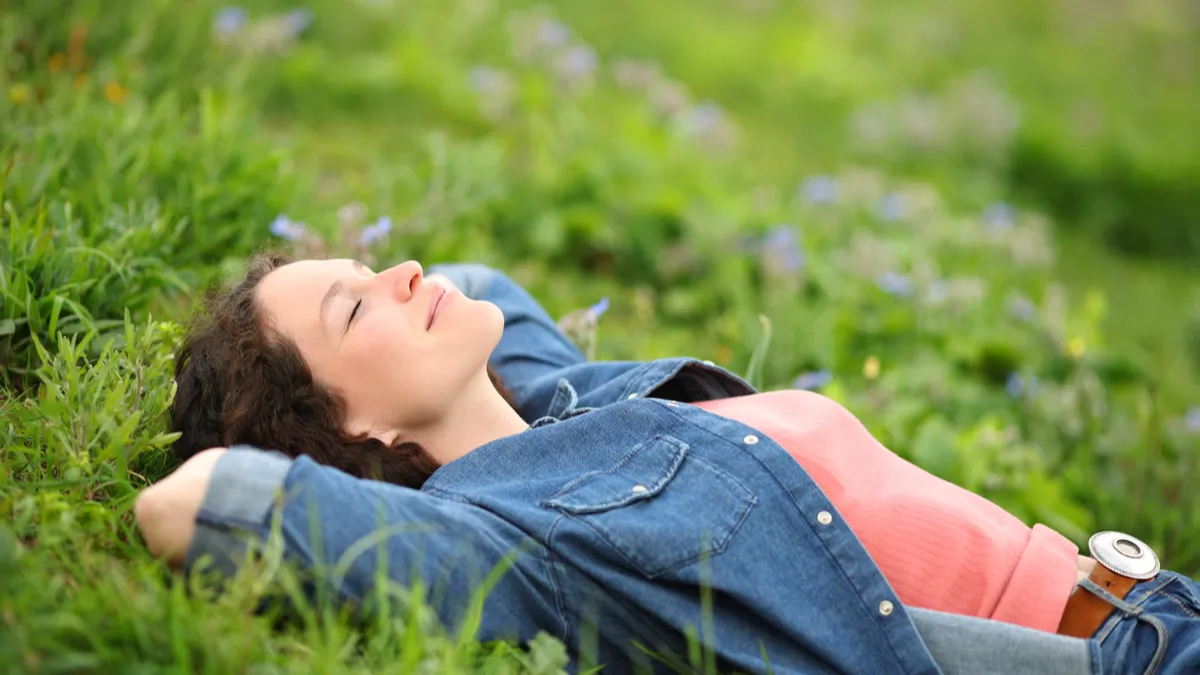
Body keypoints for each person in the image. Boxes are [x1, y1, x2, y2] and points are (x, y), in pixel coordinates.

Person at [136, 253, 1199, 674]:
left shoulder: (569, 400)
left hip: (1149, 601)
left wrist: (377, 319)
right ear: (350, 428)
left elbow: (480, 280)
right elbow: (199, 507)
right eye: (356, 302)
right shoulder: (511, 543)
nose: (405, 269)